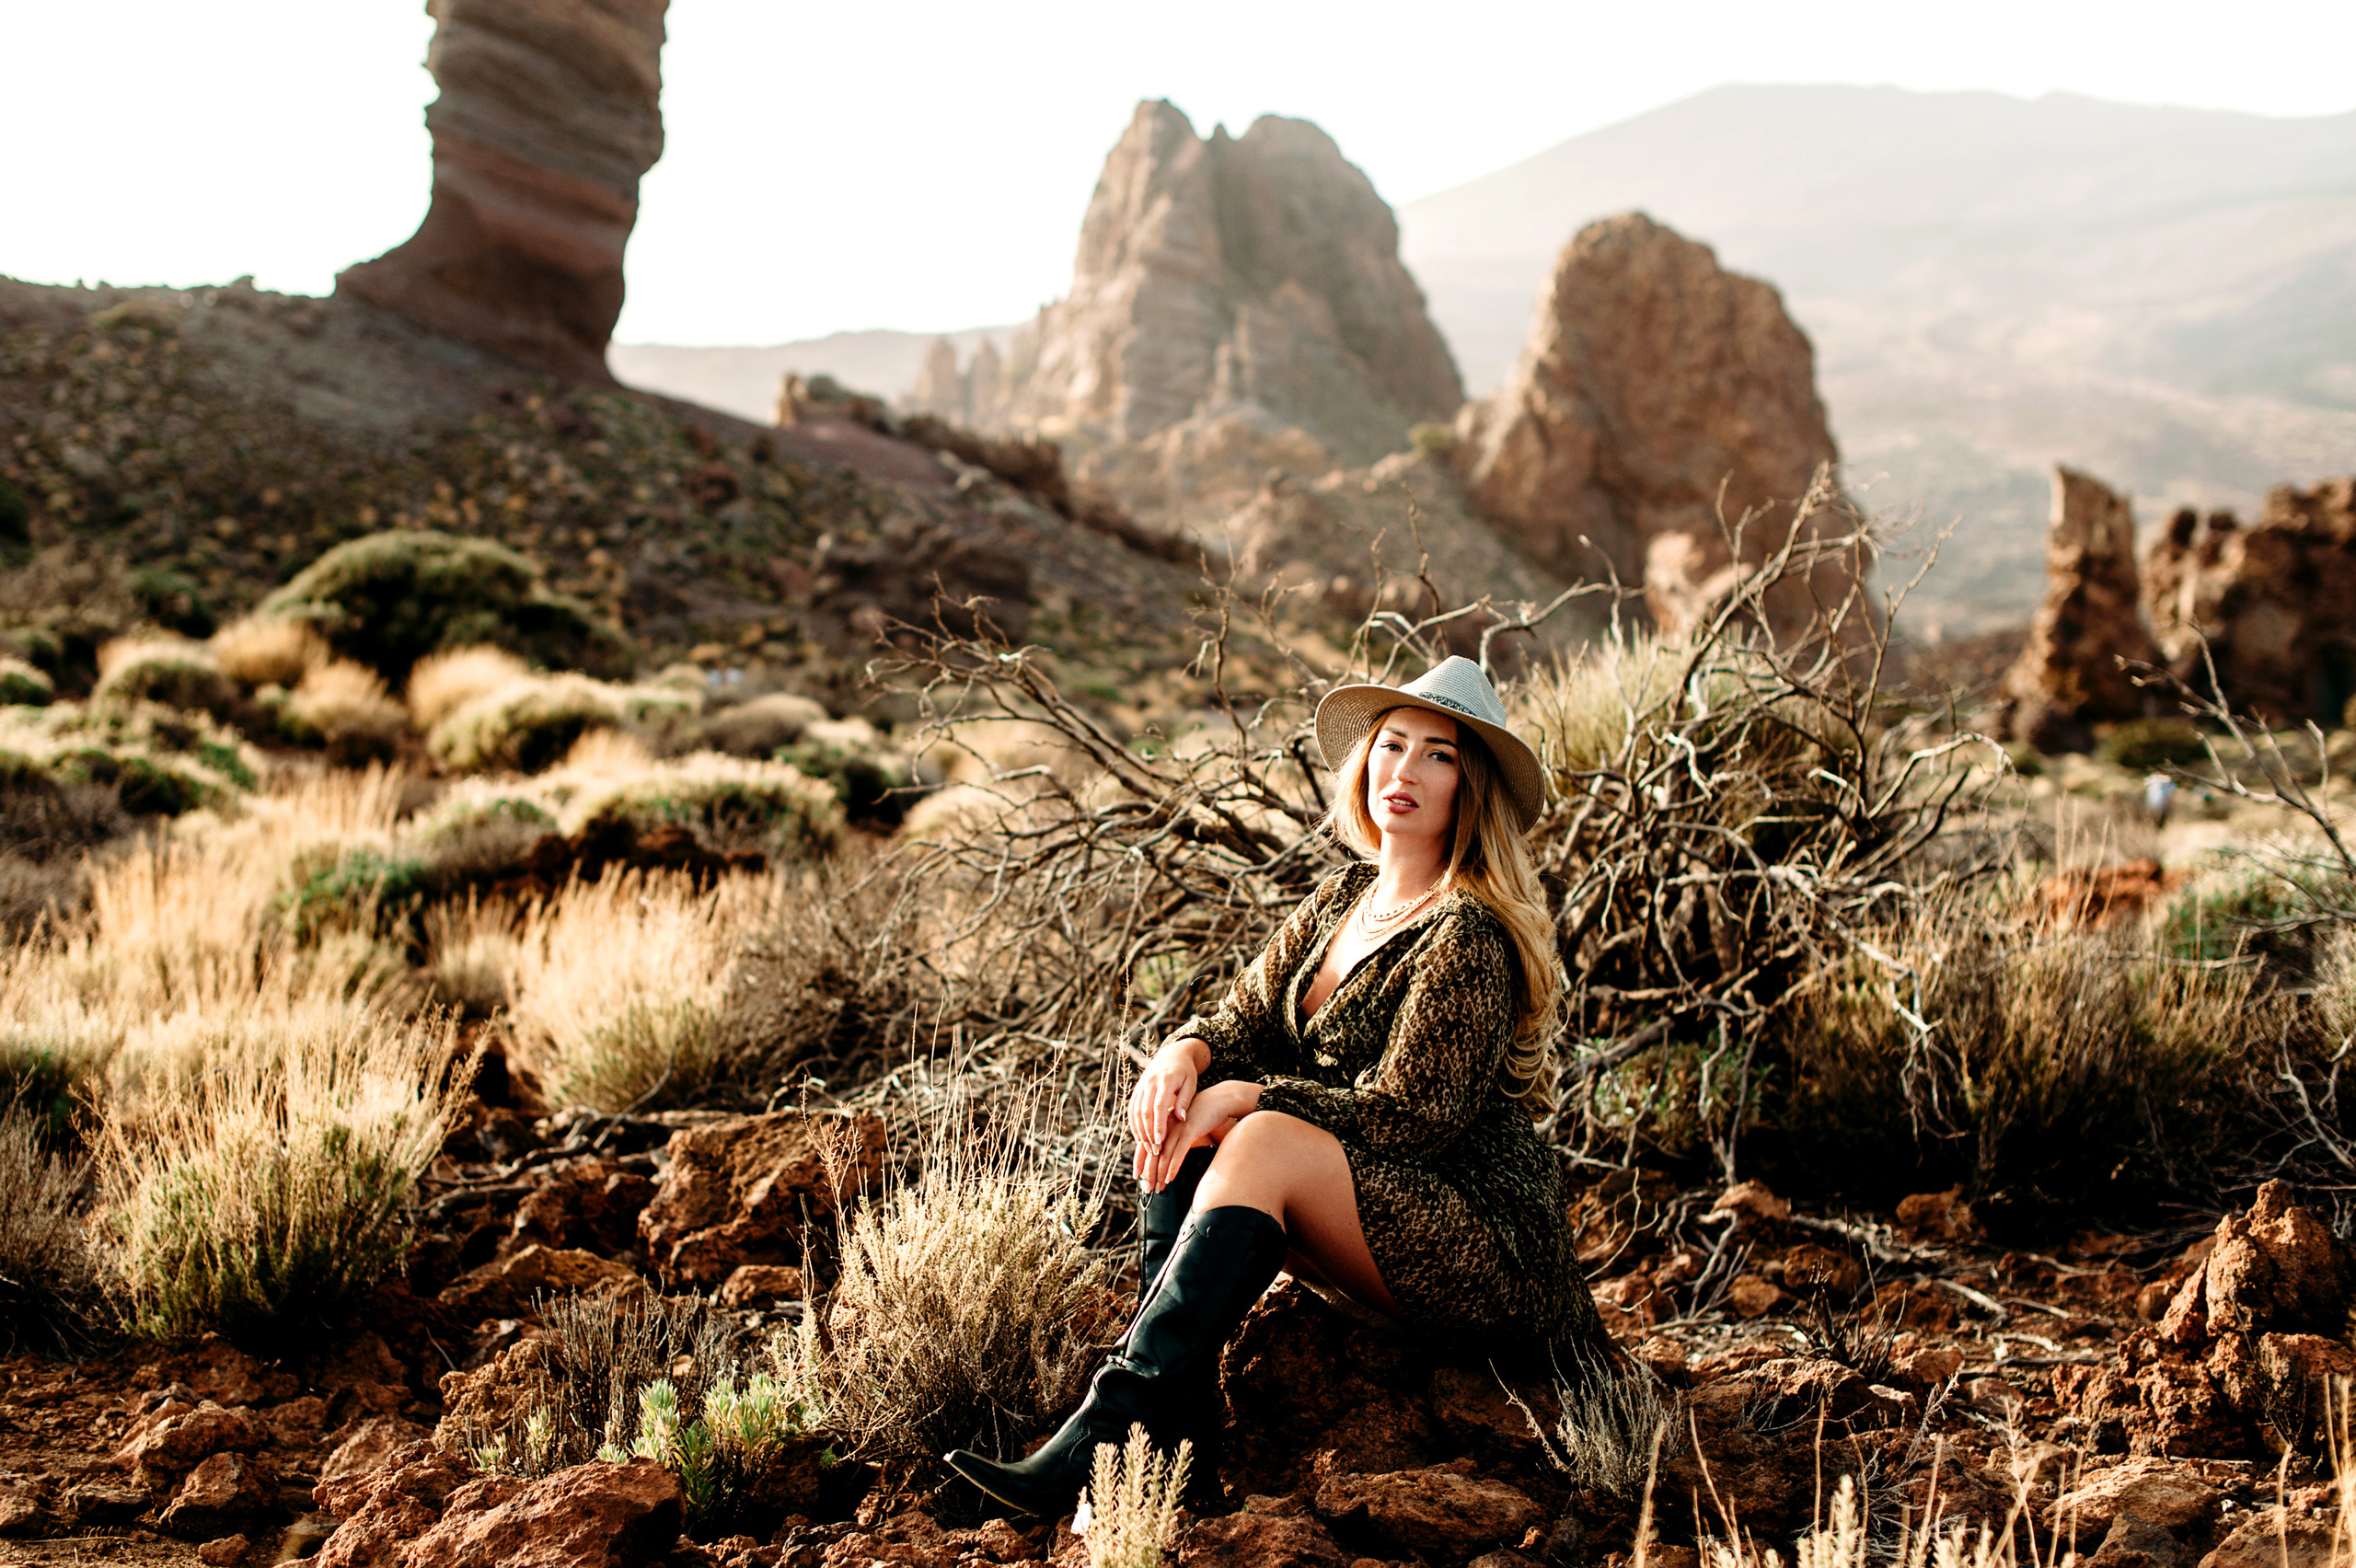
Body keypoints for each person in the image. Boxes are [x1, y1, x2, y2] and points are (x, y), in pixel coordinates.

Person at [944, 656, 1604, 1516]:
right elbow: (1242, 1019)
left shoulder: (1466, 933)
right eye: (1391, 744)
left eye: (1437, 755)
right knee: (1194, 1109)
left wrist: (1255, 1099)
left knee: (1254, 1129)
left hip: (1478, 1244)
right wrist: (1184, 1054)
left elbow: (1412, 1121)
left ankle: (1107, 1432)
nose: (1403, 772)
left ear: (1469, 785)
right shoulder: (1343, 896)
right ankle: (1165, 1432)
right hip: (1379, 1217)